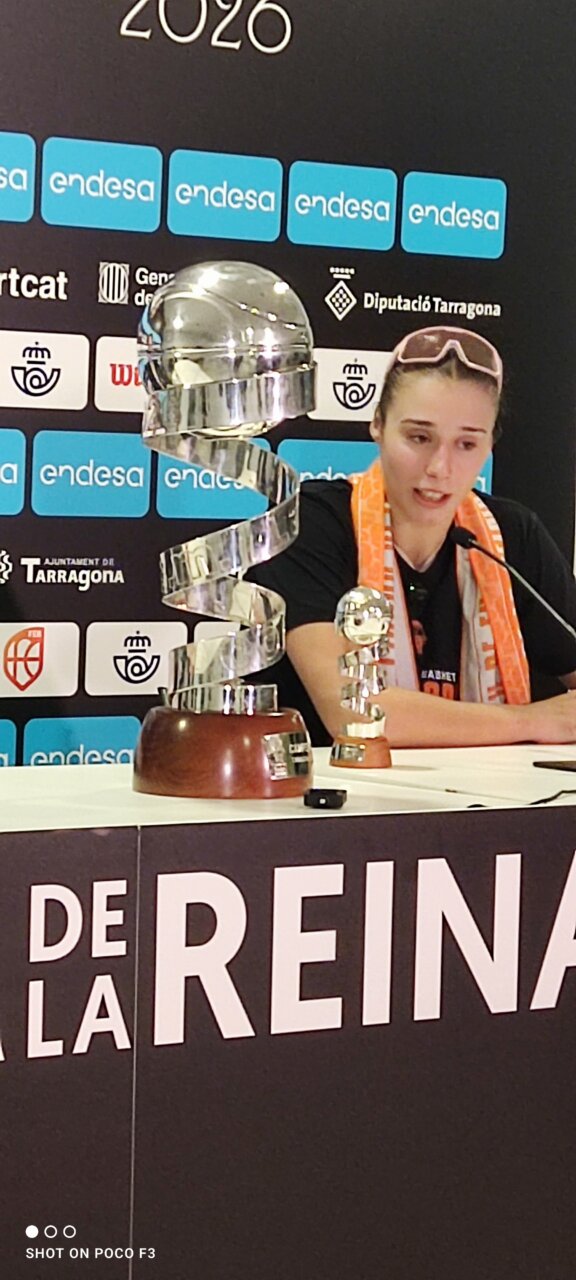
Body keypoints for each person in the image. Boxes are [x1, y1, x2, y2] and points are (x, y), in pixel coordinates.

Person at [251, 325, 576, 747]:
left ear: (489, 445)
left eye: (466, 444)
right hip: (332, 806)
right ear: (378, 425)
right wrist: (532, 722)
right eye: (419, 437)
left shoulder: (512, 535)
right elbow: (354, 713)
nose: (440, 467)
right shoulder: (308, 523)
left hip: (491, 804)